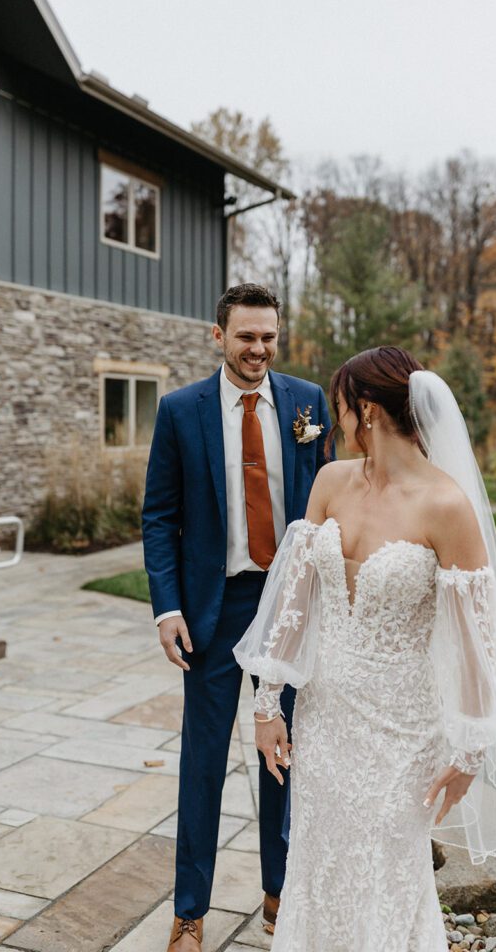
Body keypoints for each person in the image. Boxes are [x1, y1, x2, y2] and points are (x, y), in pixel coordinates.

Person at [234, 346, 496, 951]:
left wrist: (470, 751)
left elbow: (478, 642)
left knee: (386, 866)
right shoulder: (329, 480)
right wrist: (268, 704)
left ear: (367, 412)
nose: (337, 421)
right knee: (320, 856)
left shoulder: (446, 505)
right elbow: (296, 601)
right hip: (324, 714)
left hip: (403, 727)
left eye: (342, 408)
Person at [142, 283, 333, 951]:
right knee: (201, 764)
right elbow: (159, 516)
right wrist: (166, 606)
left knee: (283, 756)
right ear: (217, 336)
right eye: (246, 336)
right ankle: (189, 911)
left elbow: (329, 505)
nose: (258, 349)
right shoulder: (179, 410)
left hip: (290, 609)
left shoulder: (308, 403)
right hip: (211, 611)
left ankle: (280, 898)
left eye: (268, 337)